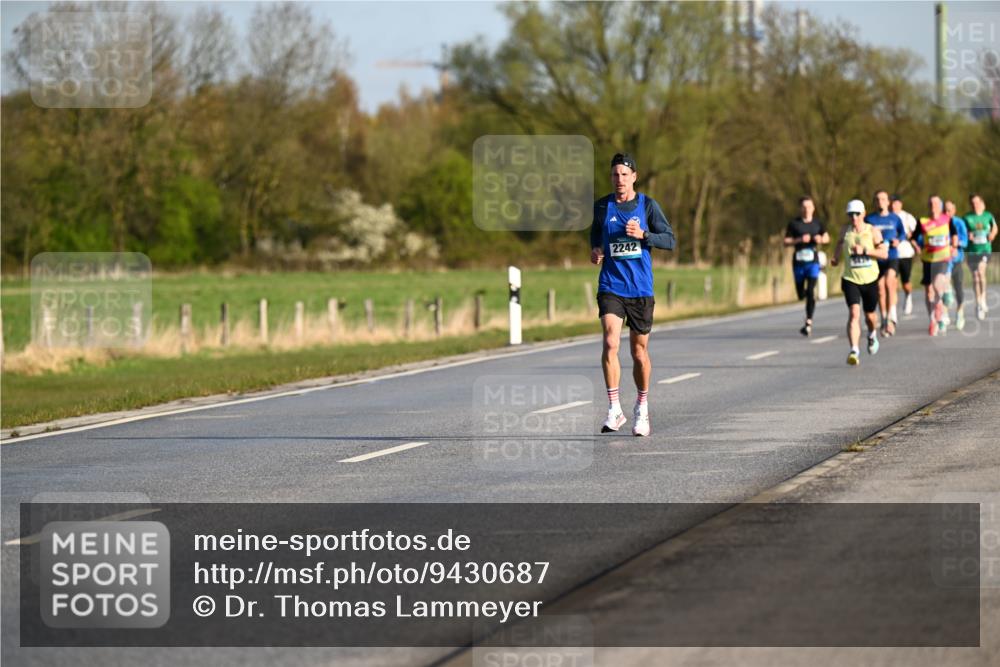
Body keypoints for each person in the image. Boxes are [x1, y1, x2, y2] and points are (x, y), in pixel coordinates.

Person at [590, 153, 675, 436]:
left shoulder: (648, 206)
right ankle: (614, 409)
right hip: (611, 285)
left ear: (634, 177)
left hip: (640, 288)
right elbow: (595, 235)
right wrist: (597, 250)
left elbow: (670, 239)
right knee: (610, 341)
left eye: (624, 175)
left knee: (639, 352)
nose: (619, 180)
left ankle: (641, 406)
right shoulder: (602, 206)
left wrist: (644, 235)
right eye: (615, 175)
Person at [830, 199, 888, 365]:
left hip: (870, 279)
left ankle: (871, 334)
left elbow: (884, 254)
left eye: (857, 214)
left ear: (863, 214)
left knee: (870, 316)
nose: (854, 217)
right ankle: (854, 350)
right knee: (854, 313)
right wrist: (835, 258)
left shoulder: (873, 231)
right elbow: (840, 244)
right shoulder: (845, 231)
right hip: (850, 278)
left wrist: (866, 251)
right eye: (850, 214)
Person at [912, 195, 959, 336]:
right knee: (929, 291)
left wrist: (954, 247)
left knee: (938, 284)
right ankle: (933, 319)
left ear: (940, 205)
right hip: (928, 259)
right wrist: (916, 247)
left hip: (943, 258)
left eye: (936, 203)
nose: (933, 206)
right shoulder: (923, 221)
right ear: (928, 205)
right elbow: (913, 238)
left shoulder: (947, 219)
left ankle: (942, 309)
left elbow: (954, 234)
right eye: (931, 203)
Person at [783, 196, 829, 336]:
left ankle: (809, 321)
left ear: (813, 208)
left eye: (809, 206)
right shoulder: (794, 224)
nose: (807, 209)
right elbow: (786, 241)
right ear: (800, 209)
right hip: (798, 262)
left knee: (810, 291)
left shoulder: (817, 223)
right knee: (801, 294)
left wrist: (820, 239)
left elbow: (827, 237)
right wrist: (798, 240)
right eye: (804, 207)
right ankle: (805, 304)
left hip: (813, 262)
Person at [865, 190, 906, 335]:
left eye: (883, 199)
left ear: (888, 202)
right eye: (877, 199)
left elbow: (903, 233)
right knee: (880, 287)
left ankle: (891, 316)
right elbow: (863, 234)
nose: (880, 202)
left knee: (889, 282)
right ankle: (884, 318)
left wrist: (898, 240)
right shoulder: (870, 219)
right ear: (875, 202)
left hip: (892, 256)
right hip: (877, 258)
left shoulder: (895, 218)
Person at [964, 194, 998, 320]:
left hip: (985, 249)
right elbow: (964, 231)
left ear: (982, 203)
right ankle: (978, 302)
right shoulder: (967, 217)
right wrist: (968, 235)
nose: (975, 205)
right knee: (975, 276)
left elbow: (995, 228)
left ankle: (983, 298)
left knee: (980, 271)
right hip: (972, 251)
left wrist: (992, 235)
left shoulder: (988, 216)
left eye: (977, 202)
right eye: (972, 203)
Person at [891, 195, 919, 316]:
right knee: (892, 281)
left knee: (905, 282)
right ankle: (892, 309)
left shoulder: (907, 217)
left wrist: (913, 241)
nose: (893, 205)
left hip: (906, 253)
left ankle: (908, 296)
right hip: (892, 254)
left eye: (895, 203)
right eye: (891, 203)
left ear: (900, 204)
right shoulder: (887, 217)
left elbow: (916, 233)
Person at [944, 200, 969, 330]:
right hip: (942, 261)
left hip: (956, 260)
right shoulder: (940, 223)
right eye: (945, 210)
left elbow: (965, 241)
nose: (947, 213)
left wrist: (956, 245)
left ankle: (960, 313)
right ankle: (945, 314)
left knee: (958, 289)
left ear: (954, 210)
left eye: (949, 210)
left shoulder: (959, 222)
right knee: (943, 289)